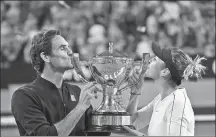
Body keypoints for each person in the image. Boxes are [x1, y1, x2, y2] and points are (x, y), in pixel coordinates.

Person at [11, 29, 111, 136]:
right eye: (63, 48)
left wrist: (111, 102)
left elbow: (100, 133)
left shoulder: (76, 92)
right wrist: (80, 107)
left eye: (68, 47)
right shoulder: (24, 96)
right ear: (45, 56)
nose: (70, 52)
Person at [123, 42, 207, 136]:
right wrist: (135, 92)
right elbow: (131, 123)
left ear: (165, 72)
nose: (150, 60)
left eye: (155, 59)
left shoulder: (177, 103)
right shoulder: (160, 99)